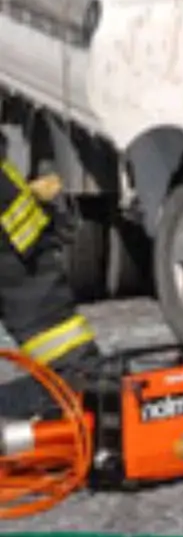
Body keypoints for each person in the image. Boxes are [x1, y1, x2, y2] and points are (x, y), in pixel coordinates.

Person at [0, 158, 100, 384]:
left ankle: (87, 385)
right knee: (50, 326)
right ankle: (87, 386)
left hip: (15, 234)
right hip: (14, 241)